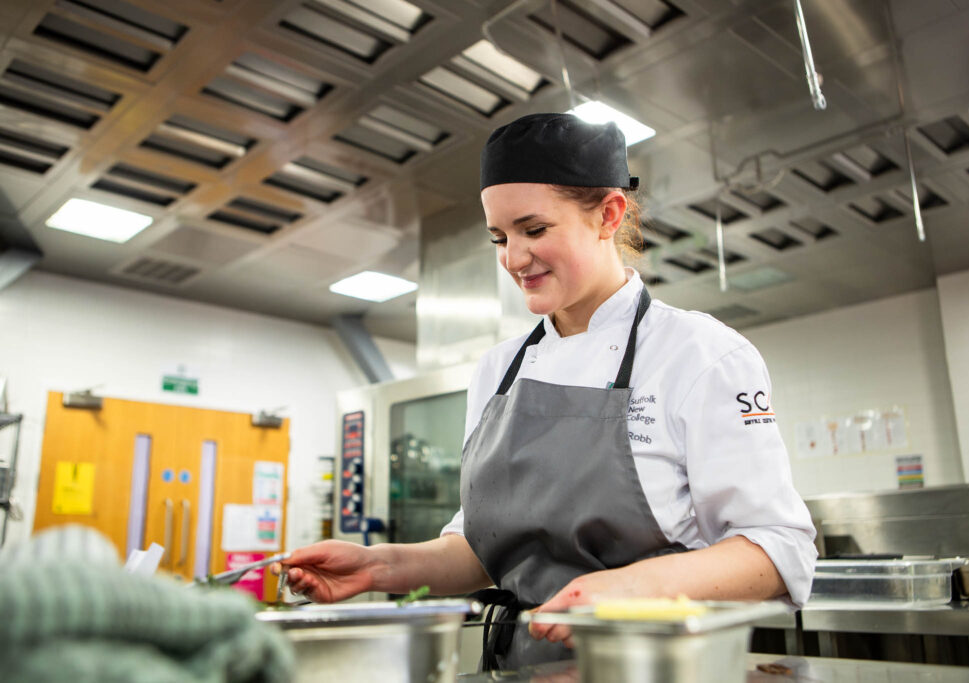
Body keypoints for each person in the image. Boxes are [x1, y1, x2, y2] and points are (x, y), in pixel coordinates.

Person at [275, 112, 817, 671]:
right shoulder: (498, 370)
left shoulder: (700, 354)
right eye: (499, 237)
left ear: (608, 214)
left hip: (656, 665)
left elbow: (780, 549)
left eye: (533, 230)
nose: (512, 258)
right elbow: (482, 551)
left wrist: (635, 588)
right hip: (519, 666)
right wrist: (378, 567)